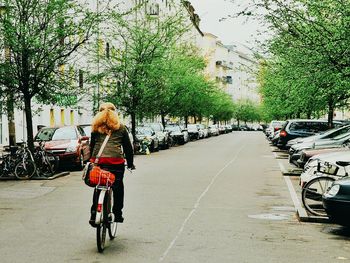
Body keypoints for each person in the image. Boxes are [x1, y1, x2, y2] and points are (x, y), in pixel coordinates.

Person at [89, 102, 135, 225]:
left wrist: (90, 160)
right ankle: (117, 213)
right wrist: (130, 164)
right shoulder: (120, 127)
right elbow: (128, 148)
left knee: (98, 186)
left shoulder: (95, 127)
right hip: (116, 163)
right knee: (118, 186)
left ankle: (94, 214)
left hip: (98, 162)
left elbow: (92, 146)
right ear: (115, 112)